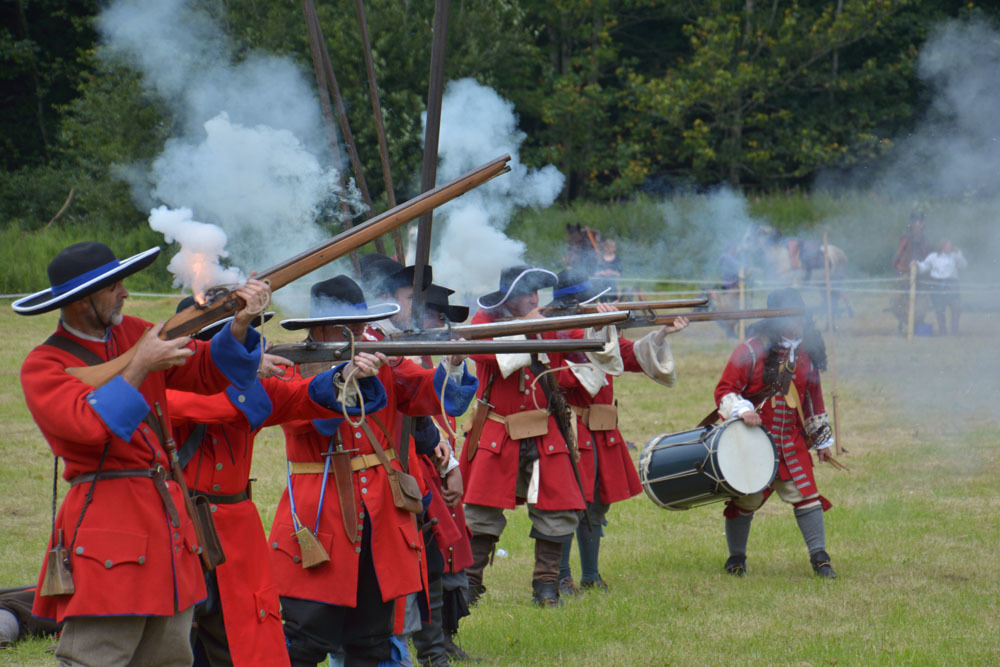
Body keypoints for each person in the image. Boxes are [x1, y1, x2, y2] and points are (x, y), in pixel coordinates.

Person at [13, 241, 269, 666]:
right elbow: (90, 428)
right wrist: (140, 365)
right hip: (108, 528)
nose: (125, 293)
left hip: (170, 528)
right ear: (82, 300)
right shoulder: (45, 364)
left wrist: (239, 324)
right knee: (96, 658)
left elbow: (206, 371)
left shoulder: (134, 333)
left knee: (169, 659)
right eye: (114, 286)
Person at [267, 276, 476, 667]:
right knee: (304, 639)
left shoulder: (384, 362)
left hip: (380, 518)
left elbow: (427, 392)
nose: (362, 332)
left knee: (372, 640)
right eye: (350, 327)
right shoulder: (294, 369)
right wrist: (342, 377)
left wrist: (453, 362)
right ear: (321, 330)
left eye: (361, 324)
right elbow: (303, 419)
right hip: (322, 514)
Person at [165, 298, 376, 667]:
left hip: (235, 531)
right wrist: (244, 372)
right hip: (177, 525)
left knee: (240, 639)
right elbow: (212, 406)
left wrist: (344, 375)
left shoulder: (251, 387)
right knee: (173, 635)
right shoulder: (166, 386)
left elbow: (301, 397)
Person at [547, 269, 689, 594]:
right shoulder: (557, 333)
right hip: (571, 428)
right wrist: (598, 339)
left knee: (597, 505)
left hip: (601, 430)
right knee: (568, 505)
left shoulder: (601, 332)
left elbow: (628, 357)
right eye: (598, 301)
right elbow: (558, 377)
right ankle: (561, 576)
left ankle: (591, 575)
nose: (606, 304)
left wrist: (661, 334)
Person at [461, 265, 587, 607]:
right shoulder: (484, 324)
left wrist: (596, 317)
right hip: (498, 429)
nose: (535, 298)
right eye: (528, 293)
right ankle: (468, 586)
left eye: (536, 292)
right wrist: (530, 326)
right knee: (480, 513)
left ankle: (546, 586)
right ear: (509, 298)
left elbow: (582, 344)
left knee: (557, 508)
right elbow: (482, 350)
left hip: (544, 428)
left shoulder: (547, 322)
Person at [712, 288, 837, 579]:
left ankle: (820, 559)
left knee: (807, 497)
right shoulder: (751, 351)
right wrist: (743, 411)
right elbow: (725, 390)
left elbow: (812, 399)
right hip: (754, 442)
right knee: (746, 500)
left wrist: (821, 441)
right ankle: (736, 558)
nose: (795, 323)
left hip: (792, 442)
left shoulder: (807, 354)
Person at [914, 239, 967, 335]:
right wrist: (916, 264)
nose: (949, 247)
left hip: (952, 284)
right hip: (937, 284)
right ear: (942, 246)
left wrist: (959, 254)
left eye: (950, 245)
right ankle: (943, 331)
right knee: (939, 309)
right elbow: (923, 267)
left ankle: (954, 331)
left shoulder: (954, 256)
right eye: (947, 245)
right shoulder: (933, 257)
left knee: (956, 307)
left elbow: (963, 265)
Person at [891, 214, 930, 333]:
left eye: (920, 225)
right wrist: (896, 263)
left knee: (921, 300)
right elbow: (900, 251)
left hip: (919, 273)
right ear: (912, 226)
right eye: (916, 225)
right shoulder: (906, 238)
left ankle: (917, 323)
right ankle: (902, 323)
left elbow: (926, 256)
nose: (918, 227)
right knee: (901, 299)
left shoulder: (923, 240)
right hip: (905, 272)